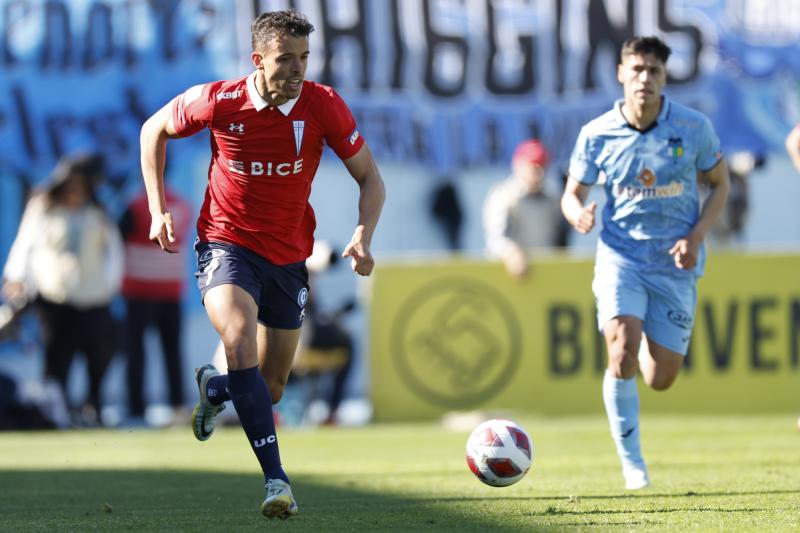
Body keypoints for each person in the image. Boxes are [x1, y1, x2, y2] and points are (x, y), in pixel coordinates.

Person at [139, 9, 385, 519]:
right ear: (258, 59)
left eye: (304, 58)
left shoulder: (323, 105)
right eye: (286, 59)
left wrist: (363, 234)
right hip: (226, 244)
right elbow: (152, 129)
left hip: (289, 257)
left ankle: (216, 388)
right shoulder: (219, 100)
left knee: (269, 386)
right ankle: (277, 481)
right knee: (237, 338)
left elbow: (370, 178)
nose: (297, 69)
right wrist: (158, 208)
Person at [561, 36, 730, 490]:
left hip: (675, 264)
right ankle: (632, 463)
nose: (645, 79)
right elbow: (572, 193)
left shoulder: (692, 127)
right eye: (637, 69)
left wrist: (695, 236)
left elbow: (720, 184)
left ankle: (640, 354)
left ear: (664, 77)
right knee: (621, 352)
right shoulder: (597, 133)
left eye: (654, 71)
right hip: (621, 257)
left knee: (660, 378)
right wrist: (577, 214)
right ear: (621, 73)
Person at [1, 153, 124, 426]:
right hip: (55, 298)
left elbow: (113, 252)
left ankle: (93, 408)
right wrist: (15, 277)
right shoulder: (44, 208)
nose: (75, 192)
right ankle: (55, 414)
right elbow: (25, 243)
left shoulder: (99, 212)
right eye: (71, 186)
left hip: (93, 298)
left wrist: (111, 286)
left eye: (81, 187)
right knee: (57, 359)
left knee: (100, 354)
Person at [119, 185, 192, 424]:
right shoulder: (183, 205)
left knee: (136, 353)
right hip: (171, 288)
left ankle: (136, 410)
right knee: (172, 352)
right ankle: (177, 406)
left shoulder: (136, 205)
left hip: (138, 289)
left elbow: (120, 237)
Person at [483, 139, 563, 278]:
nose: (539, 173)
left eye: (542, 166)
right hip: (508, 275)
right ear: (518, 166)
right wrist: (510, 253)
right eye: (534, 167)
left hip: (547, 274)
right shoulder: (503, 196)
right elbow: (495, 239)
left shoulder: (553, 200)